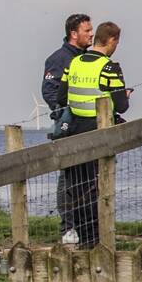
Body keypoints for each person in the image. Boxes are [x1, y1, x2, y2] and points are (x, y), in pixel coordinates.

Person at [56, 21, 130, 249]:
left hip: (74, 130)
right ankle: (96, 239)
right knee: (96, 186)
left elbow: (61, 97)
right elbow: (122, 105)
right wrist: (124, 96)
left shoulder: (74, 62)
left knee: (77, 186)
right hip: (98, 129)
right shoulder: (109, 67)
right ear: (112, 41)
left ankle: (82, 235)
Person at [41, 13, 93, 234]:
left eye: (91, 30)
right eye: (87, 30)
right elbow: (49, 91)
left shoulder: (88, 58)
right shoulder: (59, 58)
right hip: (69, 126)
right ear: (73, 33)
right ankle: (68, 228)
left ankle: (87, 226)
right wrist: (64, 112)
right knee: (68, 176)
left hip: (88, 125)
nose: (91, 34)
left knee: (88, 177)